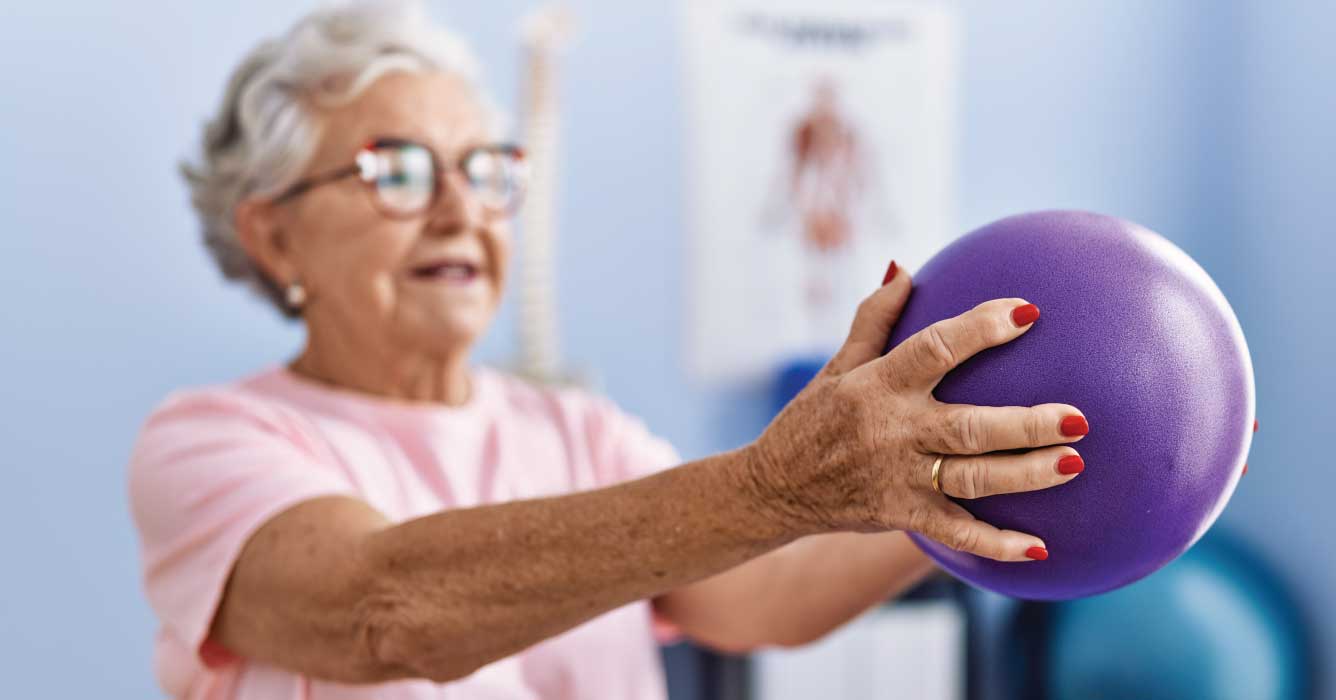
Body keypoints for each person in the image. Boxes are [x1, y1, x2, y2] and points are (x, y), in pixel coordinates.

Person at [128, 3, 1090, 698]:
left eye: (486, 168)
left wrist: (966, 471)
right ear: (272, 235)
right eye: (402, 172)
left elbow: (763, 595)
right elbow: (387, 610)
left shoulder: (576, 431)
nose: (463, 210)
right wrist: (771, 487)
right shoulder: (207, 444)